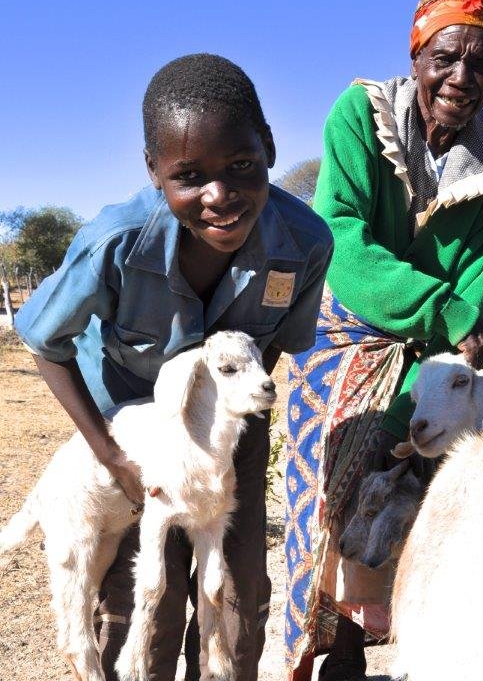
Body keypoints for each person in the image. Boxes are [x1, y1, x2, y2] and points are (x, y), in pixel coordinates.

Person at [14, 53, 333, 681]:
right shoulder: (117, 240)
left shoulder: (304, 242)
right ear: (154, 170)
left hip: (232, 429)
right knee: (143, 599)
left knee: (237, 589)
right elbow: (46, 343)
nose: (220, 196)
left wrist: (225, 429)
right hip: (133, 436)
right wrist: (111, 456)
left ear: (268, 147)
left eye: (243, 166)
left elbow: (275, 350)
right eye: (189, 176)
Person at [285, 0, 483, 681]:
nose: (460, 78)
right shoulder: (361, 114)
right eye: (445, 57)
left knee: (406, 498)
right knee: (319, 506)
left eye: (480, 66)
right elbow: (340, 236)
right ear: (417, 54)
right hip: (341, 332)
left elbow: (474, 289)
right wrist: (452, 315)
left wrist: (457, 332)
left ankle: (372, 647)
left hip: (427, 355)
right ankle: (313, 652)